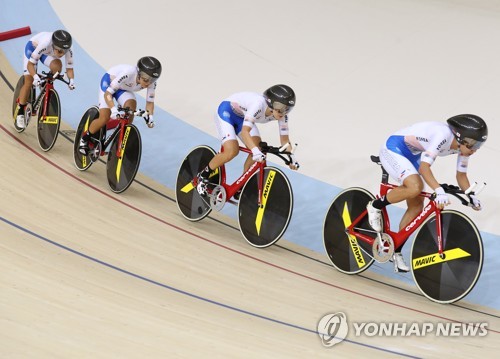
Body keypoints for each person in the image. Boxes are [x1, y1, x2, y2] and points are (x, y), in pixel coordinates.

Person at [366, 114, 488, 272]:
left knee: (417, 206)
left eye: (478, 145)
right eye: (473, 144)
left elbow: (461, 176)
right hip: (394, 148)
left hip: (412, 155)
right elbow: (424, 168)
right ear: (461, 137)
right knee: (415, 186)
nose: (474, 150)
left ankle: (396, 250)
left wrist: (471, 196)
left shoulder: (464, 149)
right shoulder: (442, 135)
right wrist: (438, 190)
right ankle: (375, 206)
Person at [195, 84, 300, 196]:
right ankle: (202, 176)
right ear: (270, 102)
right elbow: (245, 132)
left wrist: (292, 158)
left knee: (259, 148)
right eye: (280, 107)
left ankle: (242, 186)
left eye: (287, 109)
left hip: (243, 117)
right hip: (227, 112)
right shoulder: (258, 105)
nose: (283, 112)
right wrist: (255, 151)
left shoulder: (282, 116)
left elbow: (285, 141)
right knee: (232, 150)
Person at [78, 56, 162, 154]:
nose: (148, 83)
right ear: (139, 74)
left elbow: (150, 102)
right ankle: (84, 138)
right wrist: (113, 109)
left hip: (123, 88)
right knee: (104, 117)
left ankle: (120, 138)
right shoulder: (129, 73)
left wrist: (150, 117)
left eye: (152, 80)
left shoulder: (151, 83)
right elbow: (108, 94)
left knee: (131, 108)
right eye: (146, 80)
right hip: (108, 84)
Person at [15, 29, 76, 128]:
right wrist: (35, 77)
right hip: (33, 48)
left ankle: (45, 83)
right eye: (59, 51)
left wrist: (72, 81)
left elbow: (69, 69)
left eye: (64, 52)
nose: (61, 55)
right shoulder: (45, 43)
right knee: (29, 81)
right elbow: (30, 65)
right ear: (54, 46)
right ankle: (20, 111)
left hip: (46, 53)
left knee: (57, 67)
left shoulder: (69, 48)